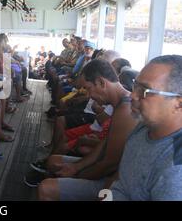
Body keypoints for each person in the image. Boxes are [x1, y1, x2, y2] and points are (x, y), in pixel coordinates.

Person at [35, 59, 138, 200]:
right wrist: (75, 167)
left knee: (46, 188)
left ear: (102, 83)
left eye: (88, 88)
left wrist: (76, 175)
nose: (89, 95)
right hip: (107, 172)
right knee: (53, 161)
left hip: (114, 184)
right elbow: (104, 146)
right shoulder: (119, 105)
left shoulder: (125, 110)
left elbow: (108, 164)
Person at [109, 55, 182, 201]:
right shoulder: (144, 127)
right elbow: (122, 178)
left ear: (178, 103)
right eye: (135, 86)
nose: (133, 95)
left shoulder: (176, 168)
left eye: (145, 91)